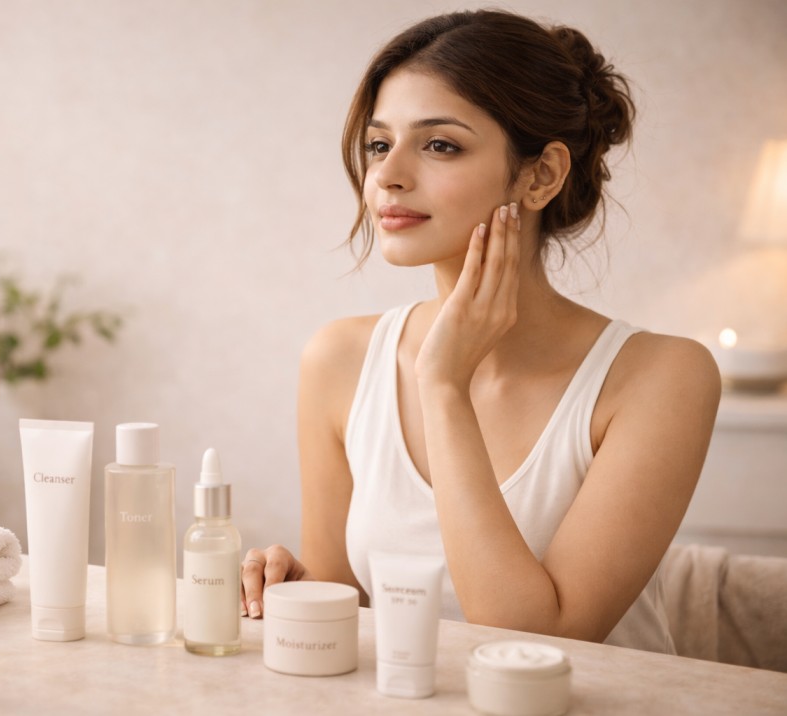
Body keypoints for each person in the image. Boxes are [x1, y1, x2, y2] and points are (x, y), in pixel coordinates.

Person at [239, 9, 720, 654]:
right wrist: (296, 588)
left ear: (540, 175)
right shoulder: (339, 360)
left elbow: (539, 641)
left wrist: (444, 385)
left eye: (440, 144)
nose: (387, 175)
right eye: (380, 144)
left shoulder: (661, 378)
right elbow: (350, 606)